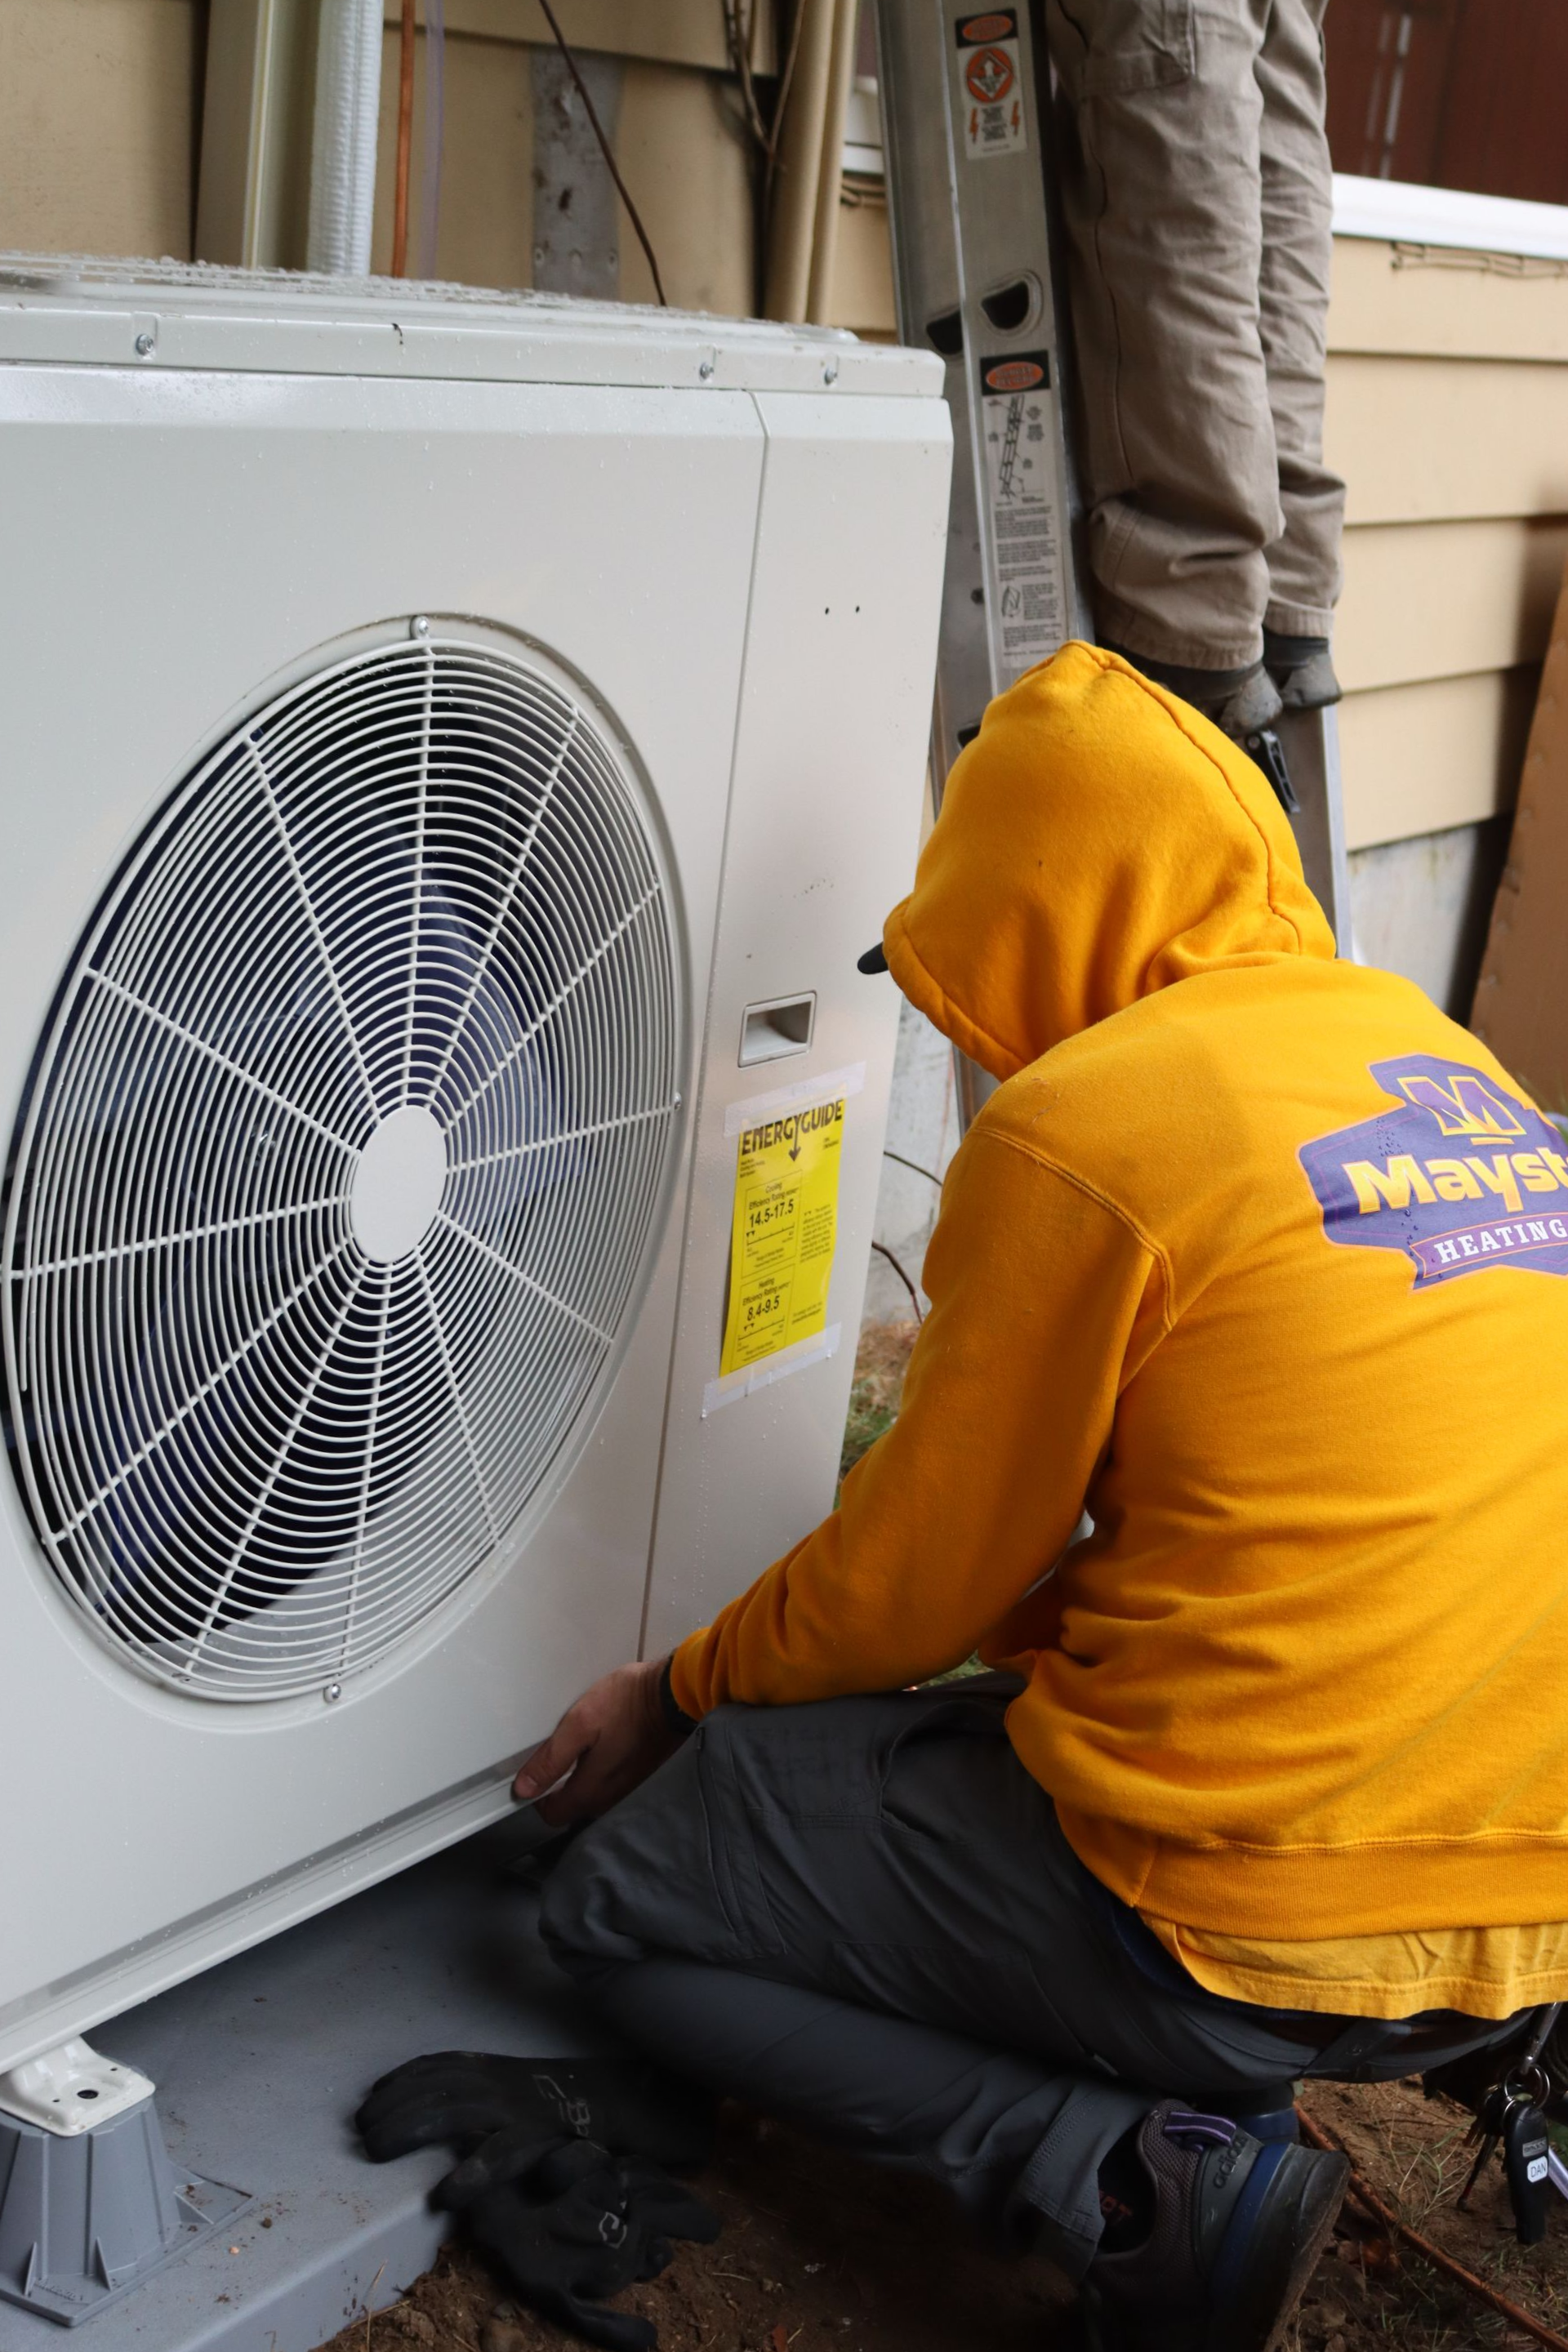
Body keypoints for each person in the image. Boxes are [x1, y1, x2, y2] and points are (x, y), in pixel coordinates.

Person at [515, 645, 1568, 2351]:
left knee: (622, 1897)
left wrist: (677, 1692)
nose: (958, 1025)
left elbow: (905, 1593)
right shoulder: (1431, 1059)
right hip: (1523, 1917)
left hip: (1253, 1924)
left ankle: (1131, 2180)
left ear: (1037, 912)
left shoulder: (1097, 1123)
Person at [1043, 0, 1344, 749]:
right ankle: (1286, 591)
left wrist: (1200, 628)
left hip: (1196, 631)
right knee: (1267, 91)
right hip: (1276, 585)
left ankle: (1198, 617)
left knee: (1183, 69)